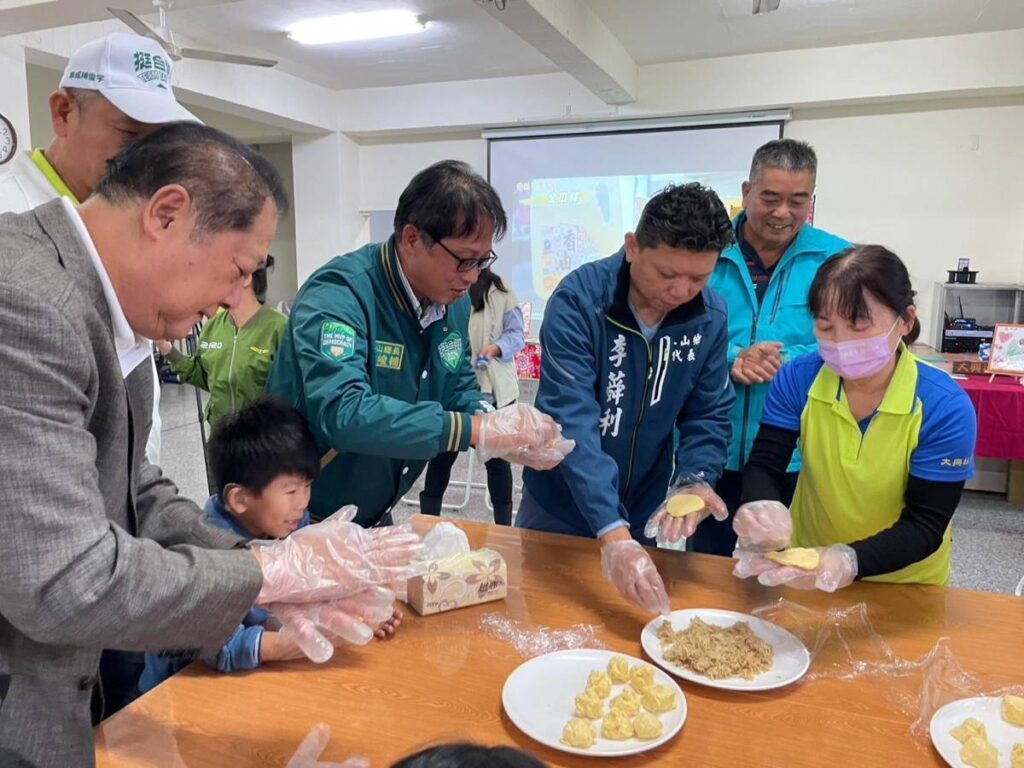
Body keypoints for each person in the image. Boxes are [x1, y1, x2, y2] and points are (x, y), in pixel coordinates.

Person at [0, 123, 422, 768]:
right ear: (167, 214)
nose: (232, 301)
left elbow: (133, 483)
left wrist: (257, 559)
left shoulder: (120, 309)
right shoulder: (26, 301)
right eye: (238, 271)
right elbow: (64, 578)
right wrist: (267, 571)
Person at [265, 160, 572, 527]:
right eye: (464, 260)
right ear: (412, 239)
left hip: (372, 513)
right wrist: (473, 431)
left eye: (483, 261)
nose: (473, 277)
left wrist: (497, 421)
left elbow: (457, 385)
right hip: (296, 519)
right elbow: (343, 412)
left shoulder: (450, 304)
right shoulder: (341, 294)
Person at [516, 183, 736, 615]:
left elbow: (708, 413)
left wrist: (695, 474)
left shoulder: (709, 316)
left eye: (698, 278)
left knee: (630, 629)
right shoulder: (579, 302)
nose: (681, 292)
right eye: (668, 275)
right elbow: (571, 419)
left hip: (642, 504)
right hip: (559, 504)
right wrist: (610, 530)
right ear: (633, 246)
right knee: (544, 619)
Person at [0, 32, 198, 468]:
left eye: (160, 142)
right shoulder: (9, 215)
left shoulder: (144, 221)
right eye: (130, 135)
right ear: (63, 112)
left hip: (130, 481)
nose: (146, 159)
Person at [732, 245, 977, 590]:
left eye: (859, 326)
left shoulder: (944, 407)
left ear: (905, 320)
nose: (841, 342)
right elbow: (765, 464)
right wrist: (761, 506)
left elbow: (925, 524)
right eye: (826, 327)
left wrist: (848, 560)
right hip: (809, 566)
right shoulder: (799, 379)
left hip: (905, 581)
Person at [139, 397, 402, 693]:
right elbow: (221, 648)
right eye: (290, 490)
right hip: (181, 691)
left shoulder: (287, 522)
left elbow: (305, 594)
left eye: (308, 486)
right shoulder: (207, 550)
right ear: (239, 499)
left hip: (256, 681)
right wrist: (301, 642)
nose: (303, 503)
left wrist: (356, 616)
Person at [691, 139, 851, 556]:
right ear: (746, 192)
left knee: (786, 569)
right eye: (770, 197)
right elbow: (677, 332)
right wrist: (732, 359)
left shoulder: (837, 261)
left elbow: (852, 343)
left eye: (798, 200)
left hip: (797, 451)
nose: (783, 213)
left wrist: (786, 361)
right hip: (711, 445)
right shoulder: (706, 250)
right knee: (708, 569)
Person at [419, 268, 525, 525]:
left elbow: (516, 334)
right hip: (453, 390)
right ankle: (427, 521)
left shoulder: (503, 292)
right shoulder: (447, 290)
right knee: (442, 456)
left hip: (495, 390)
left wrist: (497, 347)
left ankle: (503, 526)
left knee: (497, 462)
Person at [155, 255, 288, 426]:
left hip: (263, 440)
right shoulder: (213, 327)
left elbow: (290, 392)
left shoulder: (279, 328)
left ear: (246, 278)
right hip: (221, 437)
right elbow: (203, 377)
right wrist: (165, 347)